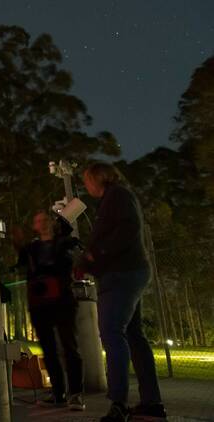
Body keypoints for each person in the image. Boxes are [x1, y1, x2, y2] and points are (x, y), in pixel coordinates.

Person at [80, 162, 165, 422]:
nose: (86, 186)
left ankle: (118, 403)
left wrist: (96, 254)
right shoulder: (113, 198)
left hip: (122, 275)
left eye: (86, 180)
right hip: (125, 272)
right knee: (134, 337)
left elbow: (126, 230)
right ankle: (152, 403)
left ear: (97, 178)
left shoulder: (117, 196)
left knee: (112, 333)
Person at [17, 211, 85, 411]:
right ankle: (58, 392)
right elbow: (21, 265)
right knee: (49, 349)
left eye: (46, 220)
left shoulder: (66, 243)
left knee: (69, 346)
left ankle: (76, 393)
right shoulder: (31, 249)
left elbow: (75, 259)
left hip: (62, 300)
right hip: (39, 303)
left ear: (53, 224)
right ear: (34, 226)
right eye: (38, 221)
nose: (43, 224)